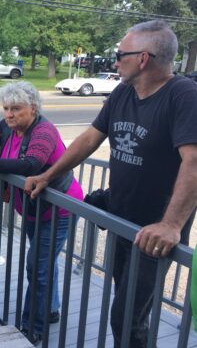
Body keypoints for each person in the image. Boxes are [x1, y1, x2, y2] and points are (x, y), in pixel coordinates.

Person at [24, 20, 197, 348]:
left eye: (120, 55)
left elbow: (194, 160)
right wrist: (48, 176)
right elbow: (90, 138)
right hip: (121, 222)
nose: (115, 62)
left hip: (154, 234)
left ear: (143, 59)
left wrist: (171, 225)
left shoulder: (183, 95)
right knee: (125, 308)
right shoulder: (123, 92)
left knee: (126, 317)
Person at [0, 81, 83, 345]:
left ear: (33, 108)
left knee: (38, 266)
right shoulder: (7, 127)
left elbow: (30, 165)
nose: (9, 114)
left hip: (59, 209)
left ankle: (33, 328)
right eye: (6, 108)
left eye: (16, 108)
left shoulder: (44, 131)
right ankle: (50, 308)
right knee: (44, 262)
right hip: (33, 209)